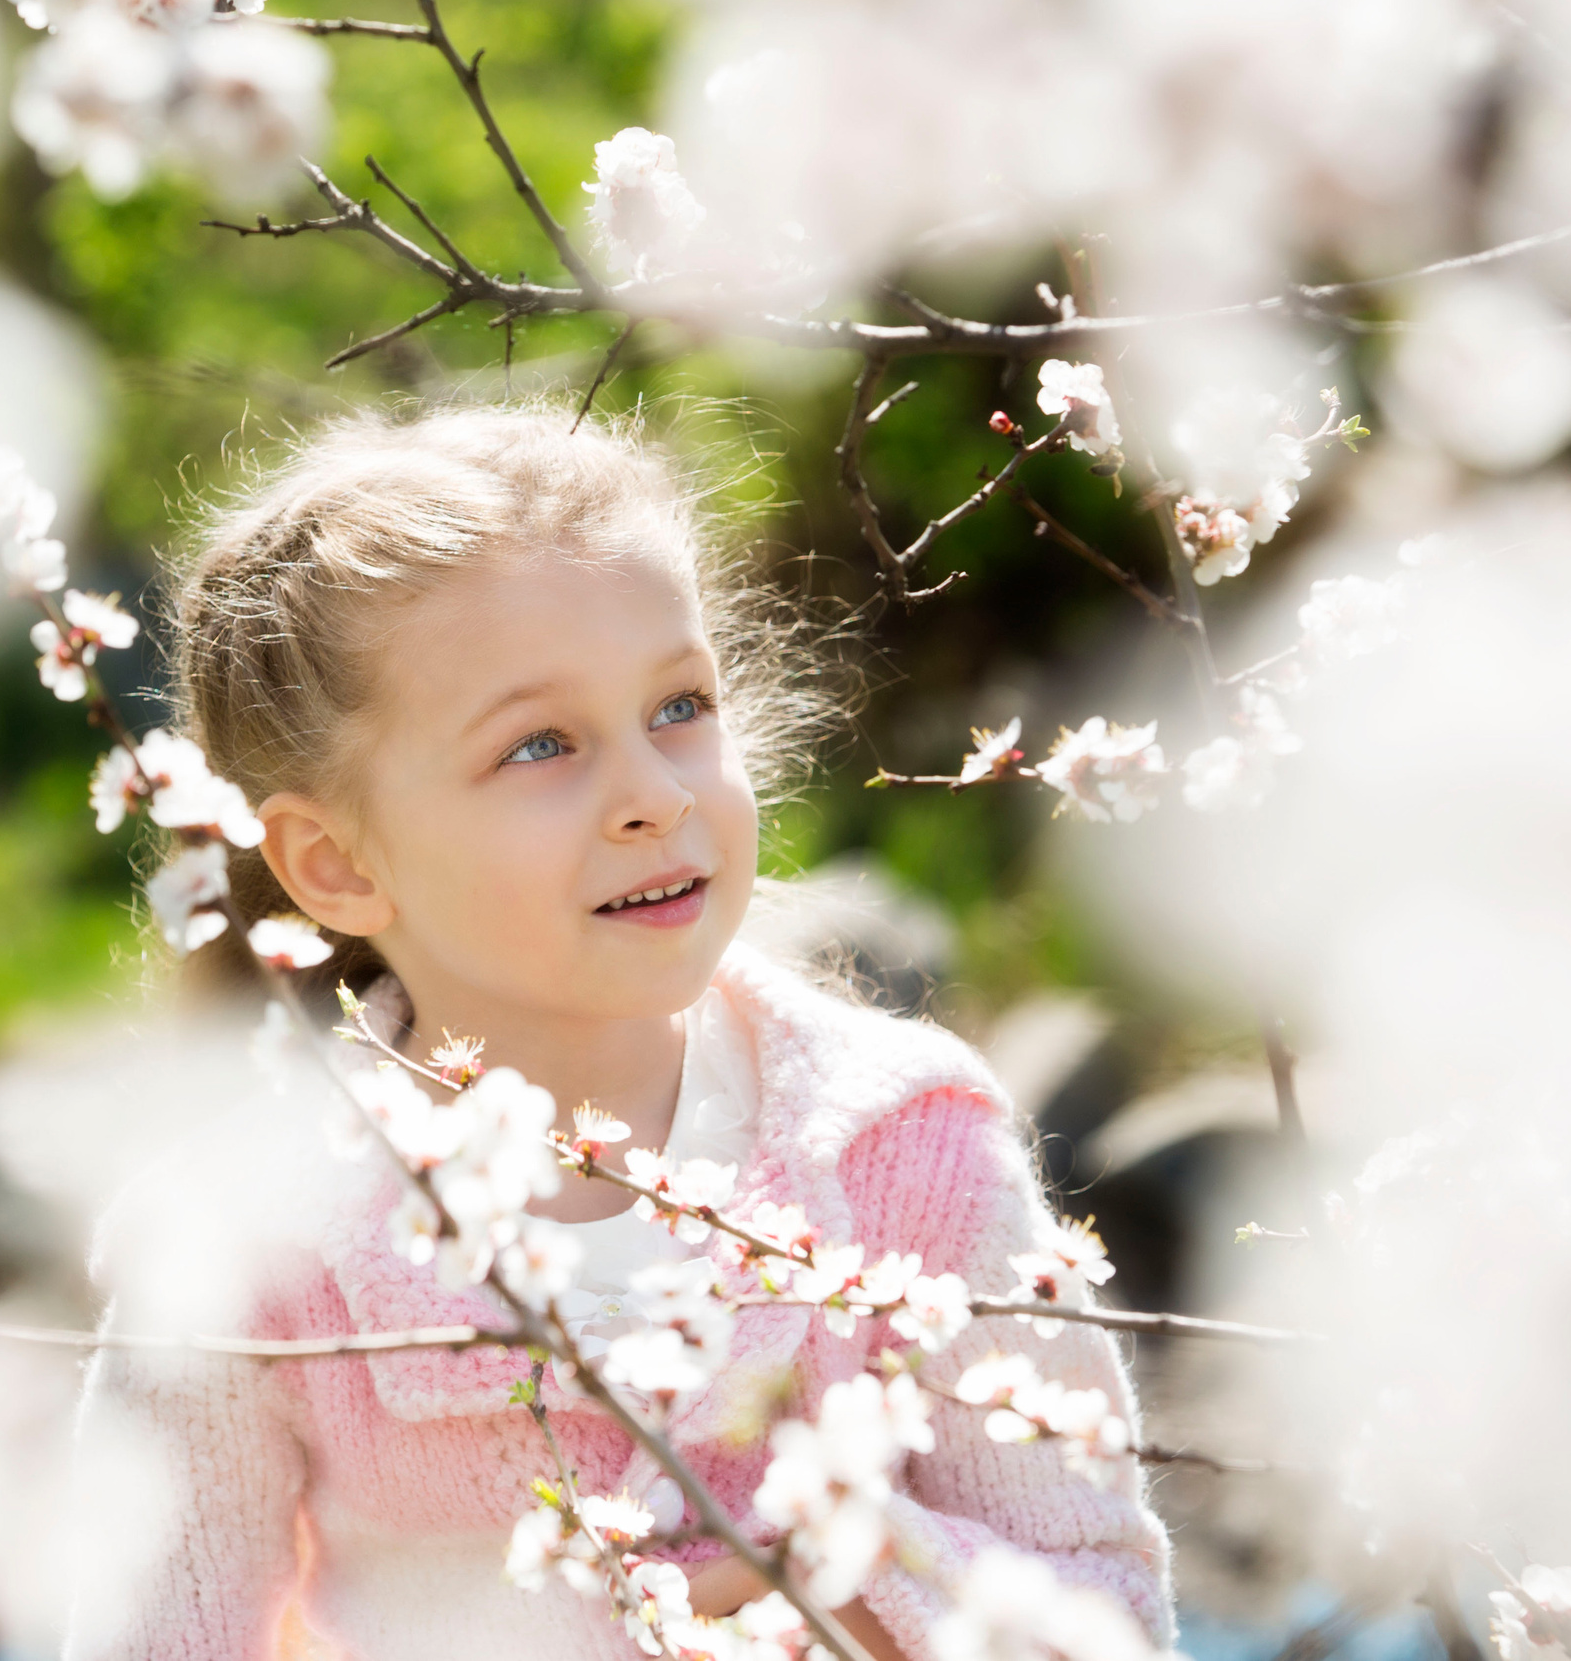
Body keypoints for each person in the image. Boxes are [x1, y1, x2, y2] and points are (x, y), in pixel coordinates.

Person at [60, 406, 1174, 1661]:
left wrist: (850, 1580)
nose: (653, 794)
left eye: (679, 705)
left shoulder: (903, 1148)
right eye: (539, 745)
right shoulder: (245, 1247)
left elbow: (1109, 1610)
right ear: (336, 863)